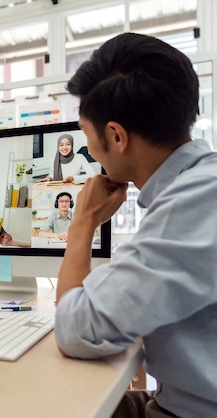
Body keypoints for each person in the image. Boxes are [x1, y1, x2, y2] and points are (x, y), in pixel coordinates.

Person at [54, 32, 217, 418]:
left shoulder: (192, 204)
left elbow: (77, 329)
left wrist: (83, 222)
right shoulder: (197, 187)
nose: (88, 150)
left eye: (86, 137)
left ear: (116, 136)